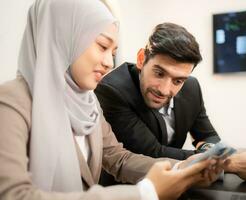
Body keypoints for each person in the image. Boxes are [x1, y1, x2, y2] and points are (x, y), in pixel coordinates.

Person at [0, 1, 223, 200]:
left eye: (113, 51)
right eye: (102, 46)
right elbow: (14, 195)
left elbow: (118, 158)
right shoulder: (10, 103)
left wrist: (185, 169)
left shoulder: (87, 102)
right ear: (63, 36)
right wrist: (144, 193)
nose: (109, 62)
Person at [95, 22, 246, 184]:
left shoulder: (191, 87)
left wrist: (210, 150)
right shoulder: (112, 90)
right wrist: (230, 162)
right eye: (159, 73)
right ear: (142, 59)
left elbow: (207, 136)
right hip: (128, 189)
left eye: (178, 81)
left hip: (177, 183)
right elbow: (152, 152)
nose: (165, 90)